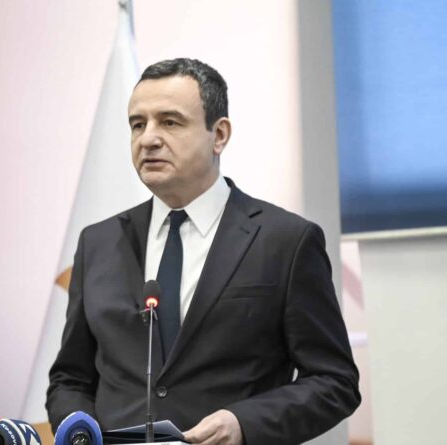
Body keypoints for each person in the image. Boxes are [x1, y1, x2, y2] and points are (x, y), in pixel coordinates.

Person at [45, 58, 360, 445]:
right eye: (138, 124)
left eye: (170, 122)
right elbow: (70, 378)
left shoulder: (285, 241)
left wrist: (244, 423)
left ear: (219, 134)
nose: (148, 139)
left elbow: (335, 381)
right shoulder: (98, 242)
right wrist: (79, 427)